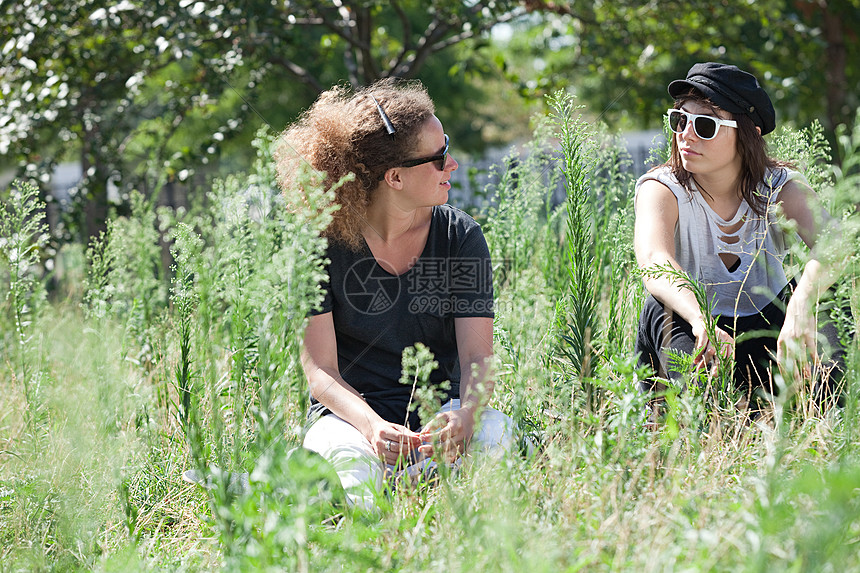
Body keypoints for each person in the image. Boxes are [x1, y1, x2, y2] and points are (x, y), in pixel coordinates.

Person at [276, 79, 514, 510]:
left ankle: (404, 485)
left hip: (443, 416)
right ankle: (384, 491)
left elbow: (478, 359)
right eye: (439, 158)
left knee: (500, 440)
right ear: (395, 177)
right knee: (358, 485)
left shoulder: (462, 236)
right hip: (352, 421)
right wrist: (371, 427)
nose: (452, 164)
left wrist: (467, 415)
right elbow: (321, 372)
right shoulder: (317, 244)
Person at [633, 62, 847, 411]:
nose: (685, 133)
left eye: (704, 125)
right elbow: (655, 262)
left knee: (825, 292)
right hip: (702, 333)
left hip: (771, 340)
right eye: (679, 119)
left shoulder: (778, 186)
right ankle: (691, 422)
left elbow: (837, 243)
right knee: (662, 305)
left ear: (747, 132)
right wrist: (700, 316)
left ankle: (830, 412)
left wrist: (801, 305)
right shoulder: (662, 188)